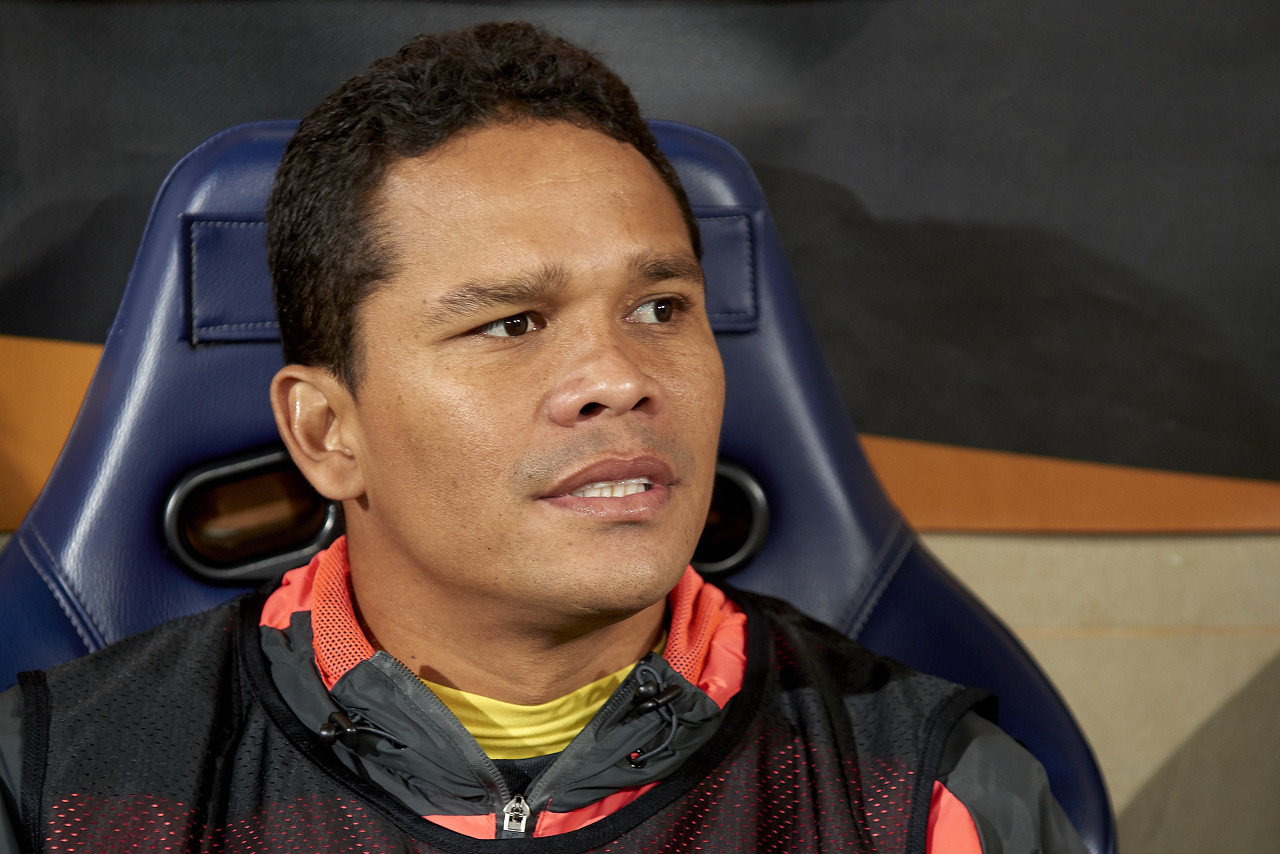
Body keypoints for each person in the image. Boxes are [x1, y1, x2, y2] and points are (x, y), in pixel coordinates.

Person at [0, 21, 1088, 853]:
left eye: (659, 307)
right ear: (327, 432)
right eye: (511, 324)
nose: (619, 378)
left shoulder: (926, 797)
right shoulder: (59, 791)